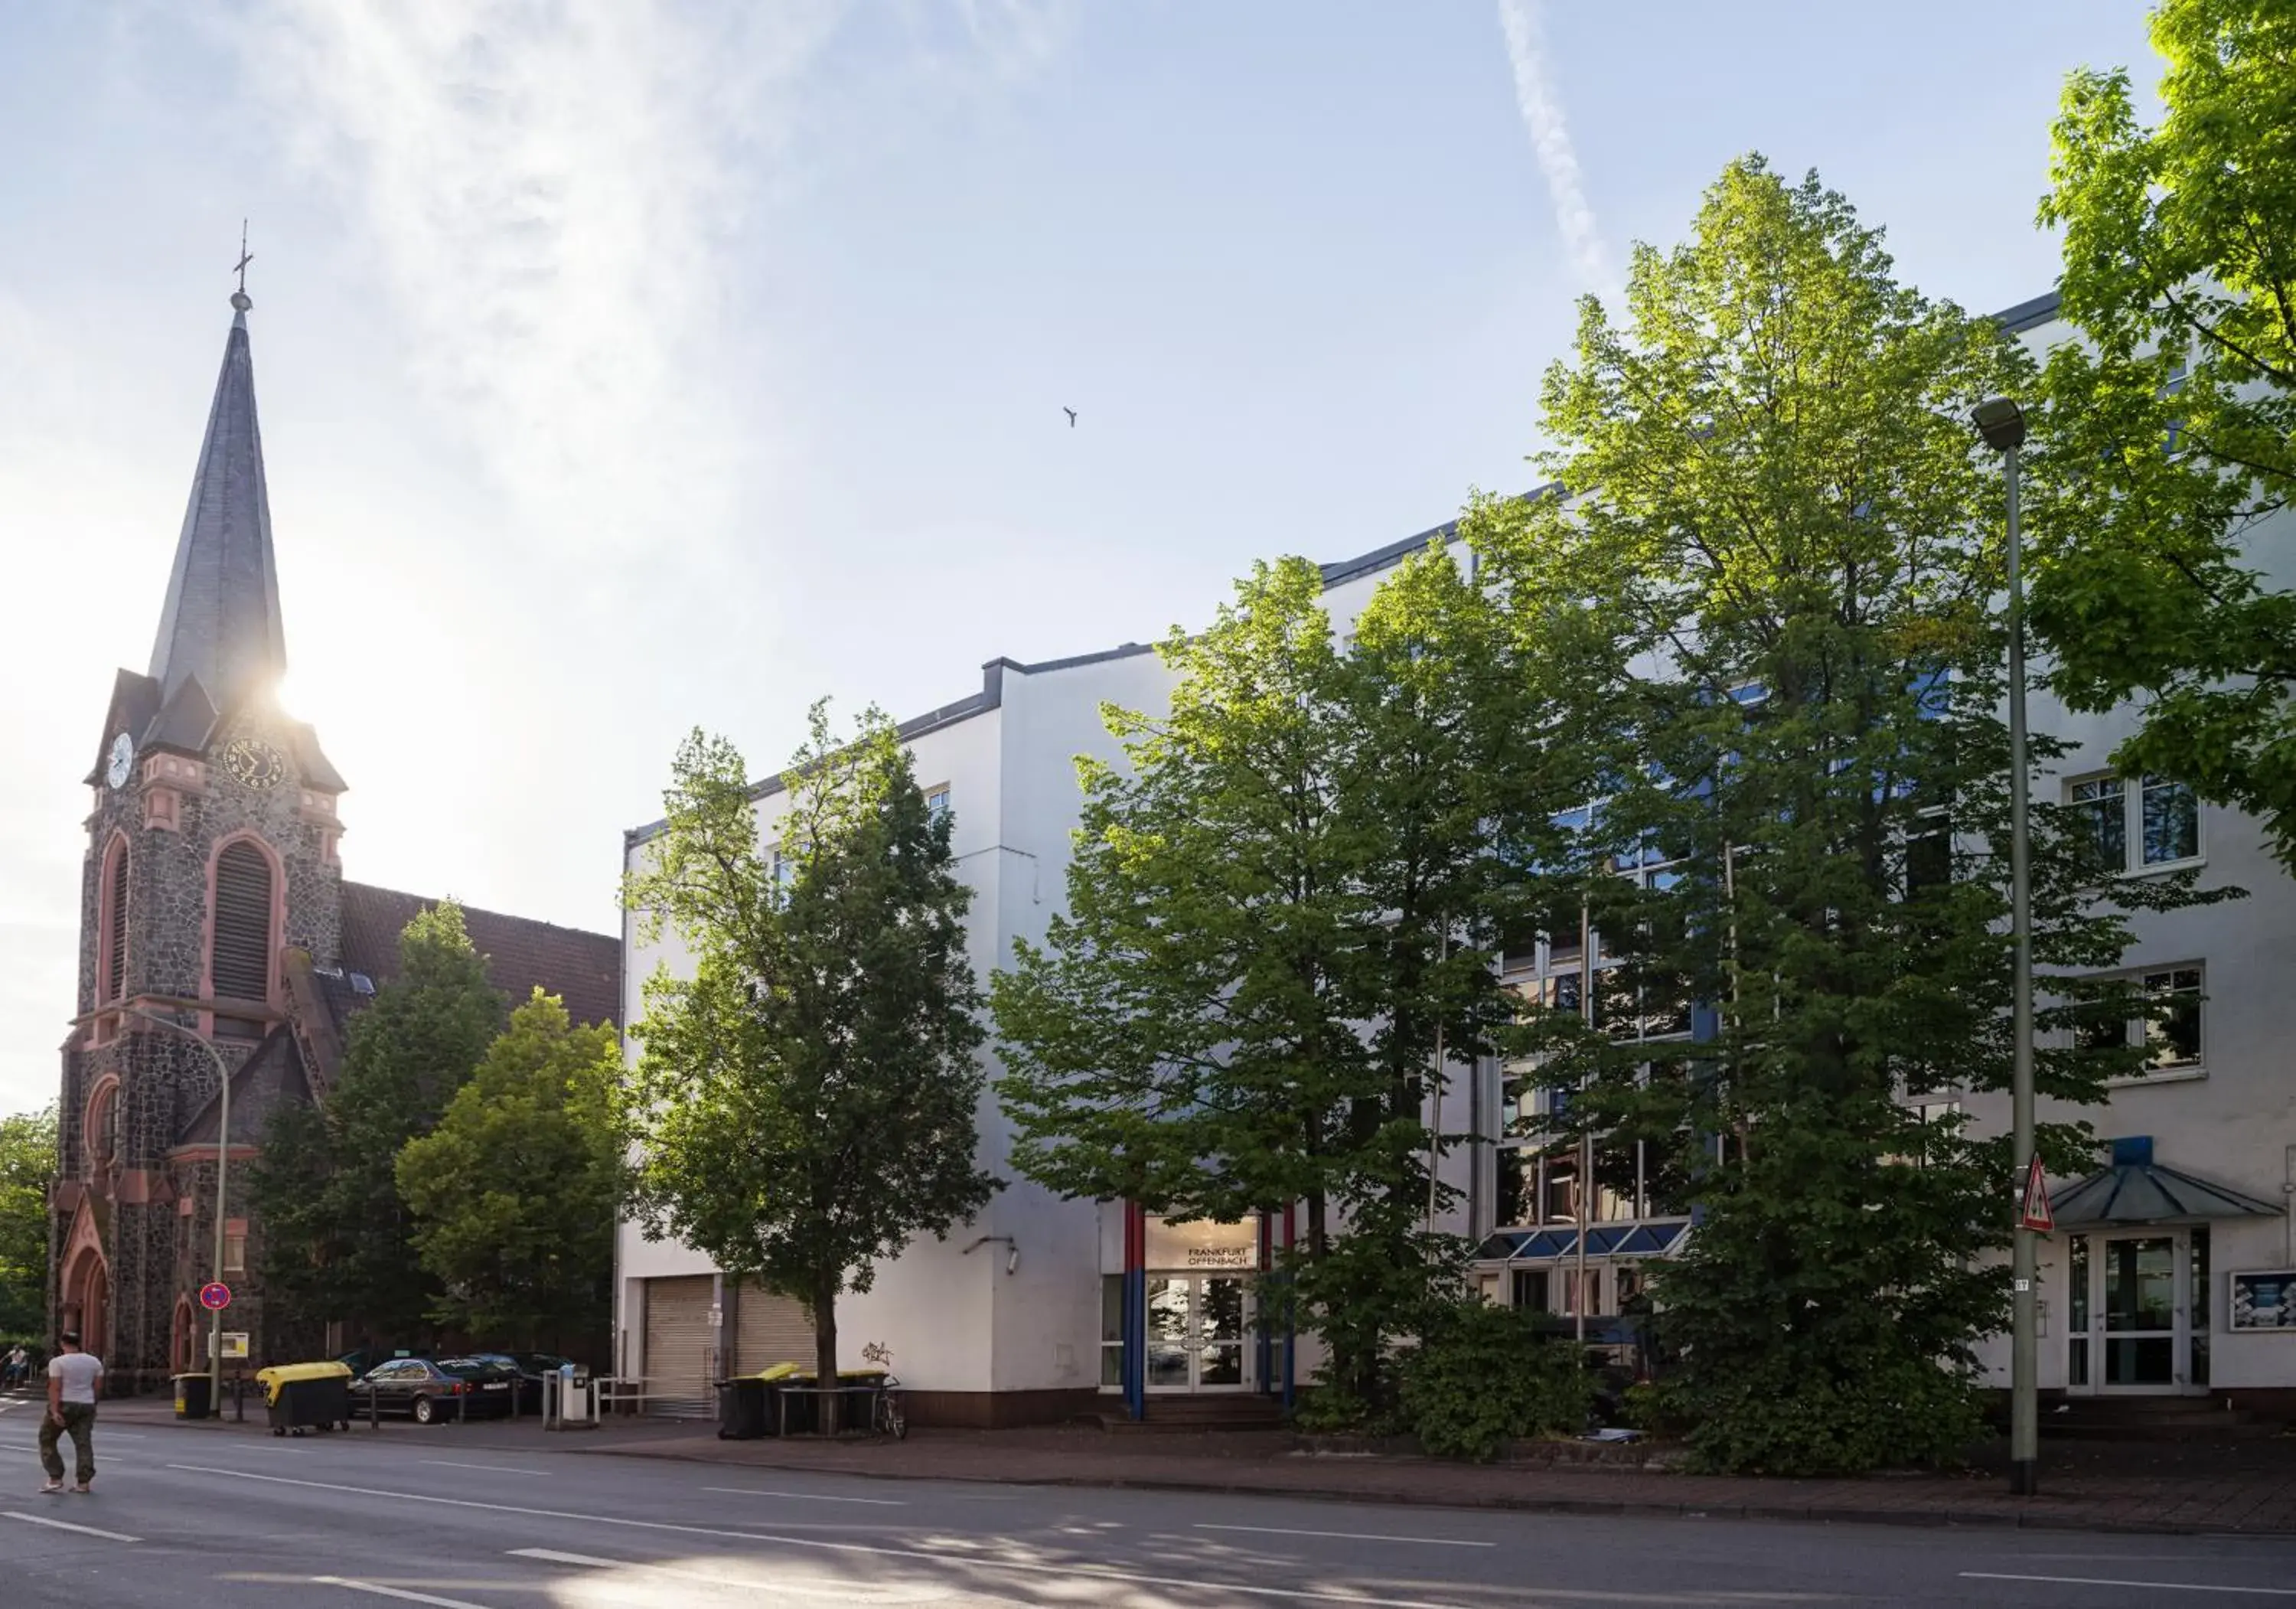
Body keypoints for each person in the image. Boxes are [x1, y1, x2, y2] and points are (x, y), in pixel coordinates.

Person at [40, 1331, 103, 1495]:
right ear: (78, 1343)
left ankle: (55, 1478)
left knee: (47, 1438)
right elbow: (97, 1387)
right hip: (86, 1404)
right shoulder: (94, 1362)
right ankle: (83, 1483)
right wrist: (93, 1405)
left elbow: (55, 1387)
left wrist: (54, 1410)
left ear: (63, 1344)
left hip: (64, 1404)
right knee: (83, 1444)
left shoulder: (58, 1362)